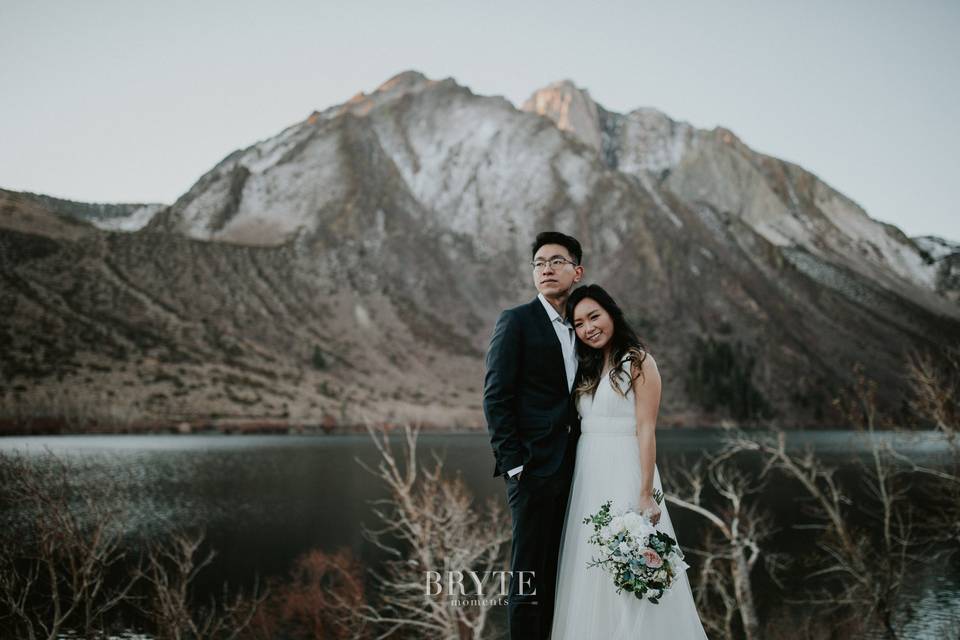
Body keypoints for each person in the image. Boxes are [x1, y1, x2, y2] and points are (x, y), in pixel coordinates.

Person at [550, 284, 708, 639]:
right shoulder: (587, 368)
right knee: (590, 566)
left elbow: (646, 428)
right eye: (578, 323)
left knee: (630, 566)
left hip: (626, 470)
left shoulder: (638, 360)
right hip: (588, 476)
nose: (588, 327)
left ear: (611, 314)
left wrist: (645, 491)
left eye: (594, 316)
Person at [483, 231, 584, 640]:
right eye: (539, 263)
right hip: (532, 469)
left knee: (564, 568)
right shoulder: (516, 320)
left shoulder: (583, 325)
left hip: (578, 467)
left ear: (577, 271)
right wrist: (514, 464)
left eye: (556, 261)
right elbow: (496, 395)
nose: (546, 268)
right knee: (528, 573)